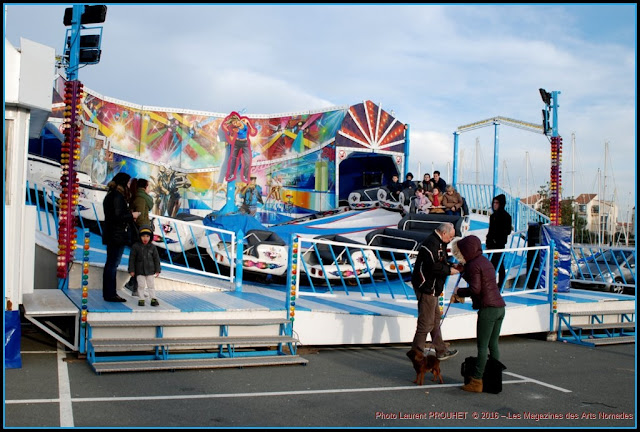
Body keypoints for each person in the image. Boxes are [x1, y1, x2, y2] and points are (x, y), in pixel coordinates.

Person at [451, 235, 506, 393]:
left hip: (487, 309)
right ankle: (494, 376)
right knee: (493, 344)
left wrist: (459, 291)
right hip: (499, 307)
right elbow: (481, 279)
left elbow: (475, 289)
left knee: (482, 347)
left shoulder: (473, 265)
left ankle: (476, 380)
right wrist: (464, 270)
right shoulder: (484, 261)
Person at [410, 222, 460, 361]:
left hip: (433, 288)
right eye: (451, 237)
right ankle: (416, 353)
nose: (451, 240)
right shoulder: (432, 244)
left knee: (436, 320)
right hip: (427, 287)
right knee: (426, 322)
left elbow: (440, 261)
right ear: (444, 233)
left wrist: (451, 265)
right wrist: (450, 270)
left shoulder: (438, 242)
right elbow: (434, 266)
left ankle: (441, 350)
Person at [102, 172, 140, 302]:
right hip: (117, 235)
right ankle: (110, 294)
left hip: (112, 233)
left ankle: (109, 293)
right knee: (113, 264)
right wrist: (132, 215)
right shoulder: (117, 196)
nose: (129, 185)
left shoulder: (110, 195)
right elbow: (118, 216)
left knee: (111, 263)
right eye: (128, 182)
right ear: (123, 182)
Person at [125, 178, 154, 294]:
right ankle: (134, 286)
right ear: (145, 187)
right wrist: (145, 233)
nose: (149, 188)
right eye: (148, 186)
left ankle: (134, 285)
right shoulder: (141, 198)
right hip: (141, 231)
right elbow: (140, 217)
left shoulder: (138, 196)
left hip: (139, 231)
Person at [128, 225, 162, 307]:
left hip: (150, 271)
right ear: (140, 237)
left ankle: (153, 298)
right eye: (143, 236)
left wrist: (157, 270)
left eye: (147, 236)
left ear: (150, 237)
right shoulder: (136, 246)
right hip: (139, 271)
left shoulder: (152, 247)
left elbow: (156, 259)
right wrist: (131, 270)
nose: (145, 238)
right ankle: (141, 298)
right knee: (141, 285)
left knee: (151, 285)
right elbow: (132, 259)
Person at [486, 194, 513, 287]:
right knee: (491, 265)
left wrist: (497, 239)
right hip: (491, 244)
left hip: (499, 244)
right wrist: (488, 242)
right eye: (494, 203)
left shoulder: (506, 216)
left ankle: (500, 285)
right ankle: (492, 285)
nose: (495, 205)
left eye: (497, 203)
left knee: (499, 265)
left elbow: (507, 231)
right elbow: (490, 231)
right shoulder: (493, 216)